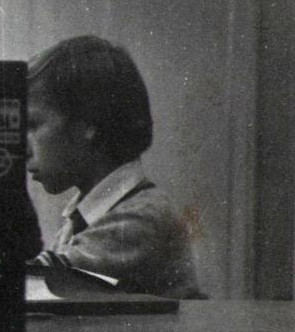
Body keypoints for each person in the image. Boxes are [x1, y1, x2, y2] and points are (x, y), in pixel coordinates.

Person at [26, 35, 203, 299]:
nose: (21, 147)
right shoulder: (85, 216)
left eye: (32, 125)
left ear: (87, 124)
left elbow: (40, 285)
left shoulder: (140, 216)